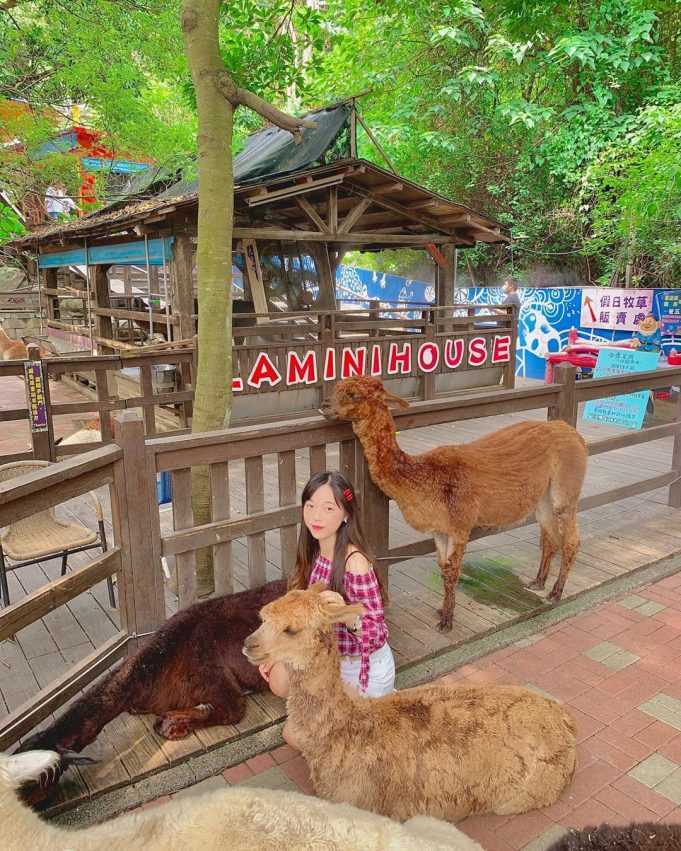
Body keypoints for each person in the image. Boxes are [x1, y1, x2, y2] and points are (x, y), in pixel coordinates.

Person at [260, 471, 395, 746]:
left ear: (346, 515)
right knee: (279, 679)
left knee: (311, 742)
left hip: (362, 668)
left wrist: (347, 615)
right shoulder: (313, 555)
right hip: (330, 665)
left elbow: (377, 635)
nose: (316, 516)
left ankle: (383, 708)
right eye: (310, 505)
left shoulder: (354, 563)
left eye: (328, 508)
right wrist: (278, 651)